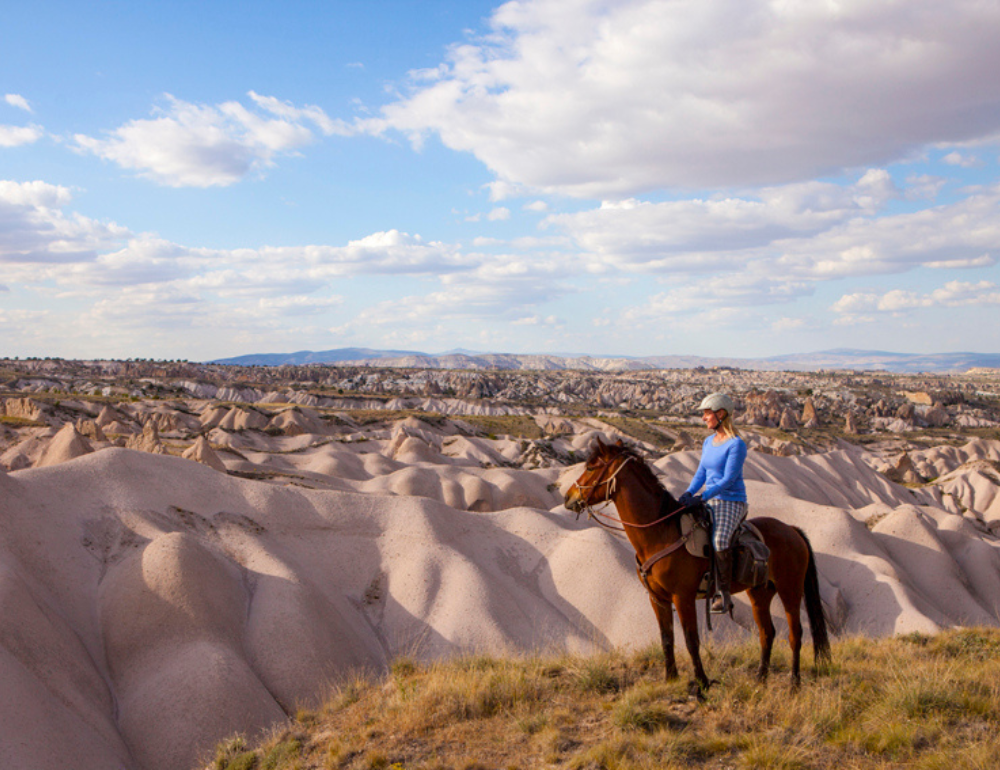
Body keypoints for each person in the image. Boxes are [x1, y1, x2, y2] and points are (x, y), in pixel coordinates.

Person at [678, 393, 748, 614]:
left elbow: (728, 479)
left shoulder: (736, 444)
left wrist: (703, 497)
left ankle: (723, 595)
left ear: (720, 414)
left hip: (730, 500)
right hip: (709, 498)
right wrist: (688, 493)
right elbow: (701, 472)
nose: (703, 418)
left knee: (719, 539)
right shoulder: (709, 442)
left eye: (707, 413)